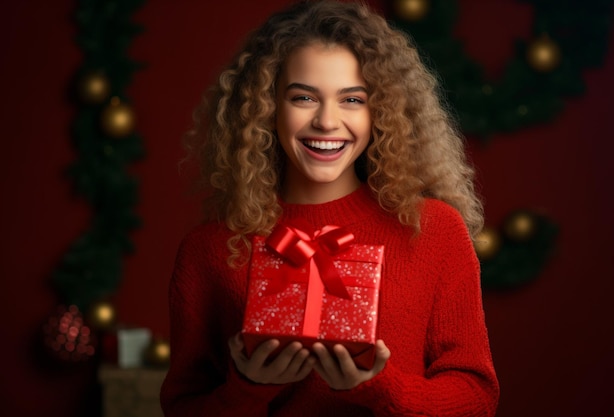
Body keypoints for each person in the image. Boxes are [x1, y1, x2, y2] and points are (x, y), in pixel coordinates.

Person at [160, 1, 499, 416]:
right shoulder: (210, 249)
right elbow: (183, 408)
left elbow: (476, 396)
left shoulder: (432, 229)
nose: (326, 121)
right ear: (267, 107)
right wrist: (247, 388)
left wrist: (379, 388)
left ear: (382, 111)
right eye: (303, 97)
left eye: (352, 100)